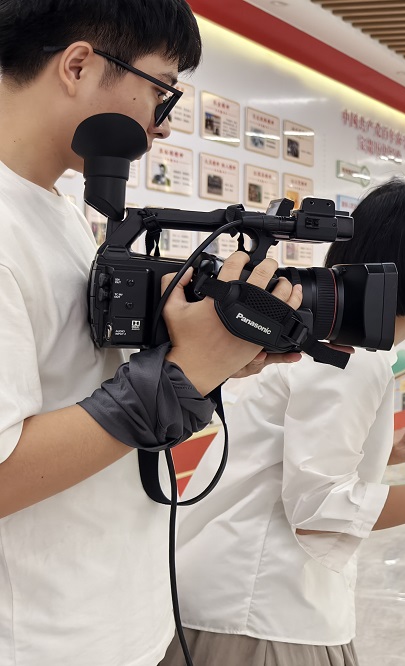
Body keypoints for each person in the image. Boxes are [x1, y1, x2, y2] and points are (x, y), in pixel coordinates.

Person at [0, 2, 301, 664]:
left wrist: (204, 352)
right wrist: (185, 373)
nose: (161, 124)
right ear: (78, 66)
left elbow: (78, 383)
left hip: (113, 618)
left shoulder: (55, 211)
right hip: (43, 643)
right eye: (161, 90)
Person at [160, 180, 405, 666]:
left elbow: (289, 460)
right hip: (259, 608)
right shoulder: (351, 358)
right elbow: (318, 509)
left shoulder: (334, 343)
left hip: (251, 598)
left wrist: (395, 451)